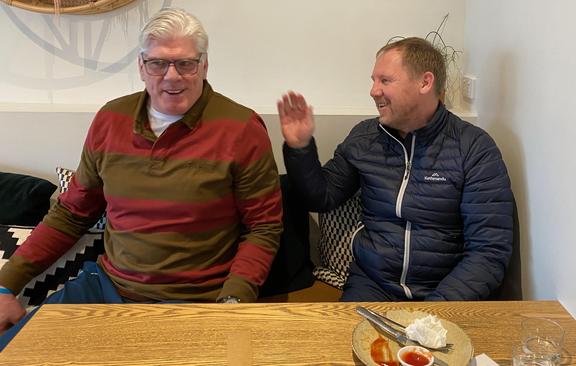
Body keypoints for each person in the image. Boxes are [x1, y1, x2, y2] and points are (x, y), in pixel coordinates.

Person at [0, 7, 283, 347]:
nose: (172, 76)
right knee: (13, 352)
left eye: (186, 63)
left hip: (196, 301)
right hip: (104, 289)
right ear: (141, 66)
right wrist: (7, 284)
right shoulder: (110, 119)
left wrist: (233, 301)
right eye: (158, 63)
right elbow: (71, 212)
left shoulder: (241, 128)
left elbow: (263, 228)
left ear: (204, 65)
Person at [278, 37, 513, 302]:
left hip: (442, 292)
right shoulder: (365, 138)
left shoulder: (474, 148)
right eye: (373, 80)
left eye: (385, 81)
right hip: (372, 284)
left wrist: (434, 312)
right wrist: (300, 148)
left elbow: (488, 251)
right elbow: (322, 197)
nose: (373, 91)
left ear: (425, 82)